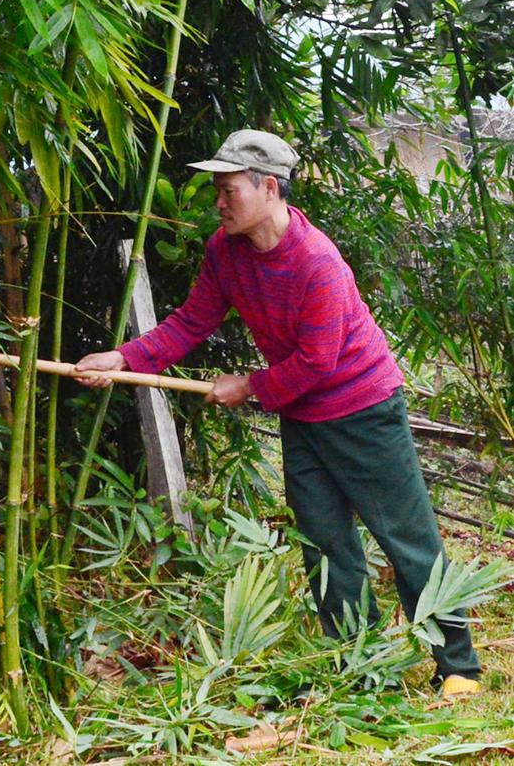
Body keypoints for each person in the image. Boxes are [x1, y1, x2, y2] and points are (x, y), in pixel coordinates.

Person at [74, 129, 481, 697]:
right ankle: (360, 666)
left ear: (269, 187)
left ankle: (458, 666)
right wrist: (122, 357)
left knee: (405, 537)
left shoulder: (318, 262)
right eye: (216, 190)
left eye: (228, 190)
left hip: (363, 409)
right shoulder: (225, 251)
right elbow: (192, 321)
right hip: (302, 415)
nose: (218, 202)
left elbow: (317, 361)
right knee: (323, 541)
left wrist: (249, 386)